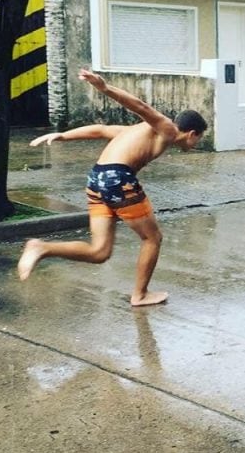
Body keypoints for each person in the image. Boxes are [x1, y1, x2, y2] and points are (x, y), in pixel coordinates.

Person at [17, 69, 208, 306]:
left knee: (100, 252)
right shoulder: (167, 129)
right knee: (152, 238)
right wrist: (104, 88)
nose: (196, 144)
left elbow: (101, 130)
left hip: (96, 179)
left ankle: (41, 247)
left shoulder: (137, 131)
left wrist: (63, 135)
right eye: (198, 139)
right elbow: (141, 107)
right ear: (192, 133)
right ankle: (140, 294)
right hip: (117, 178)